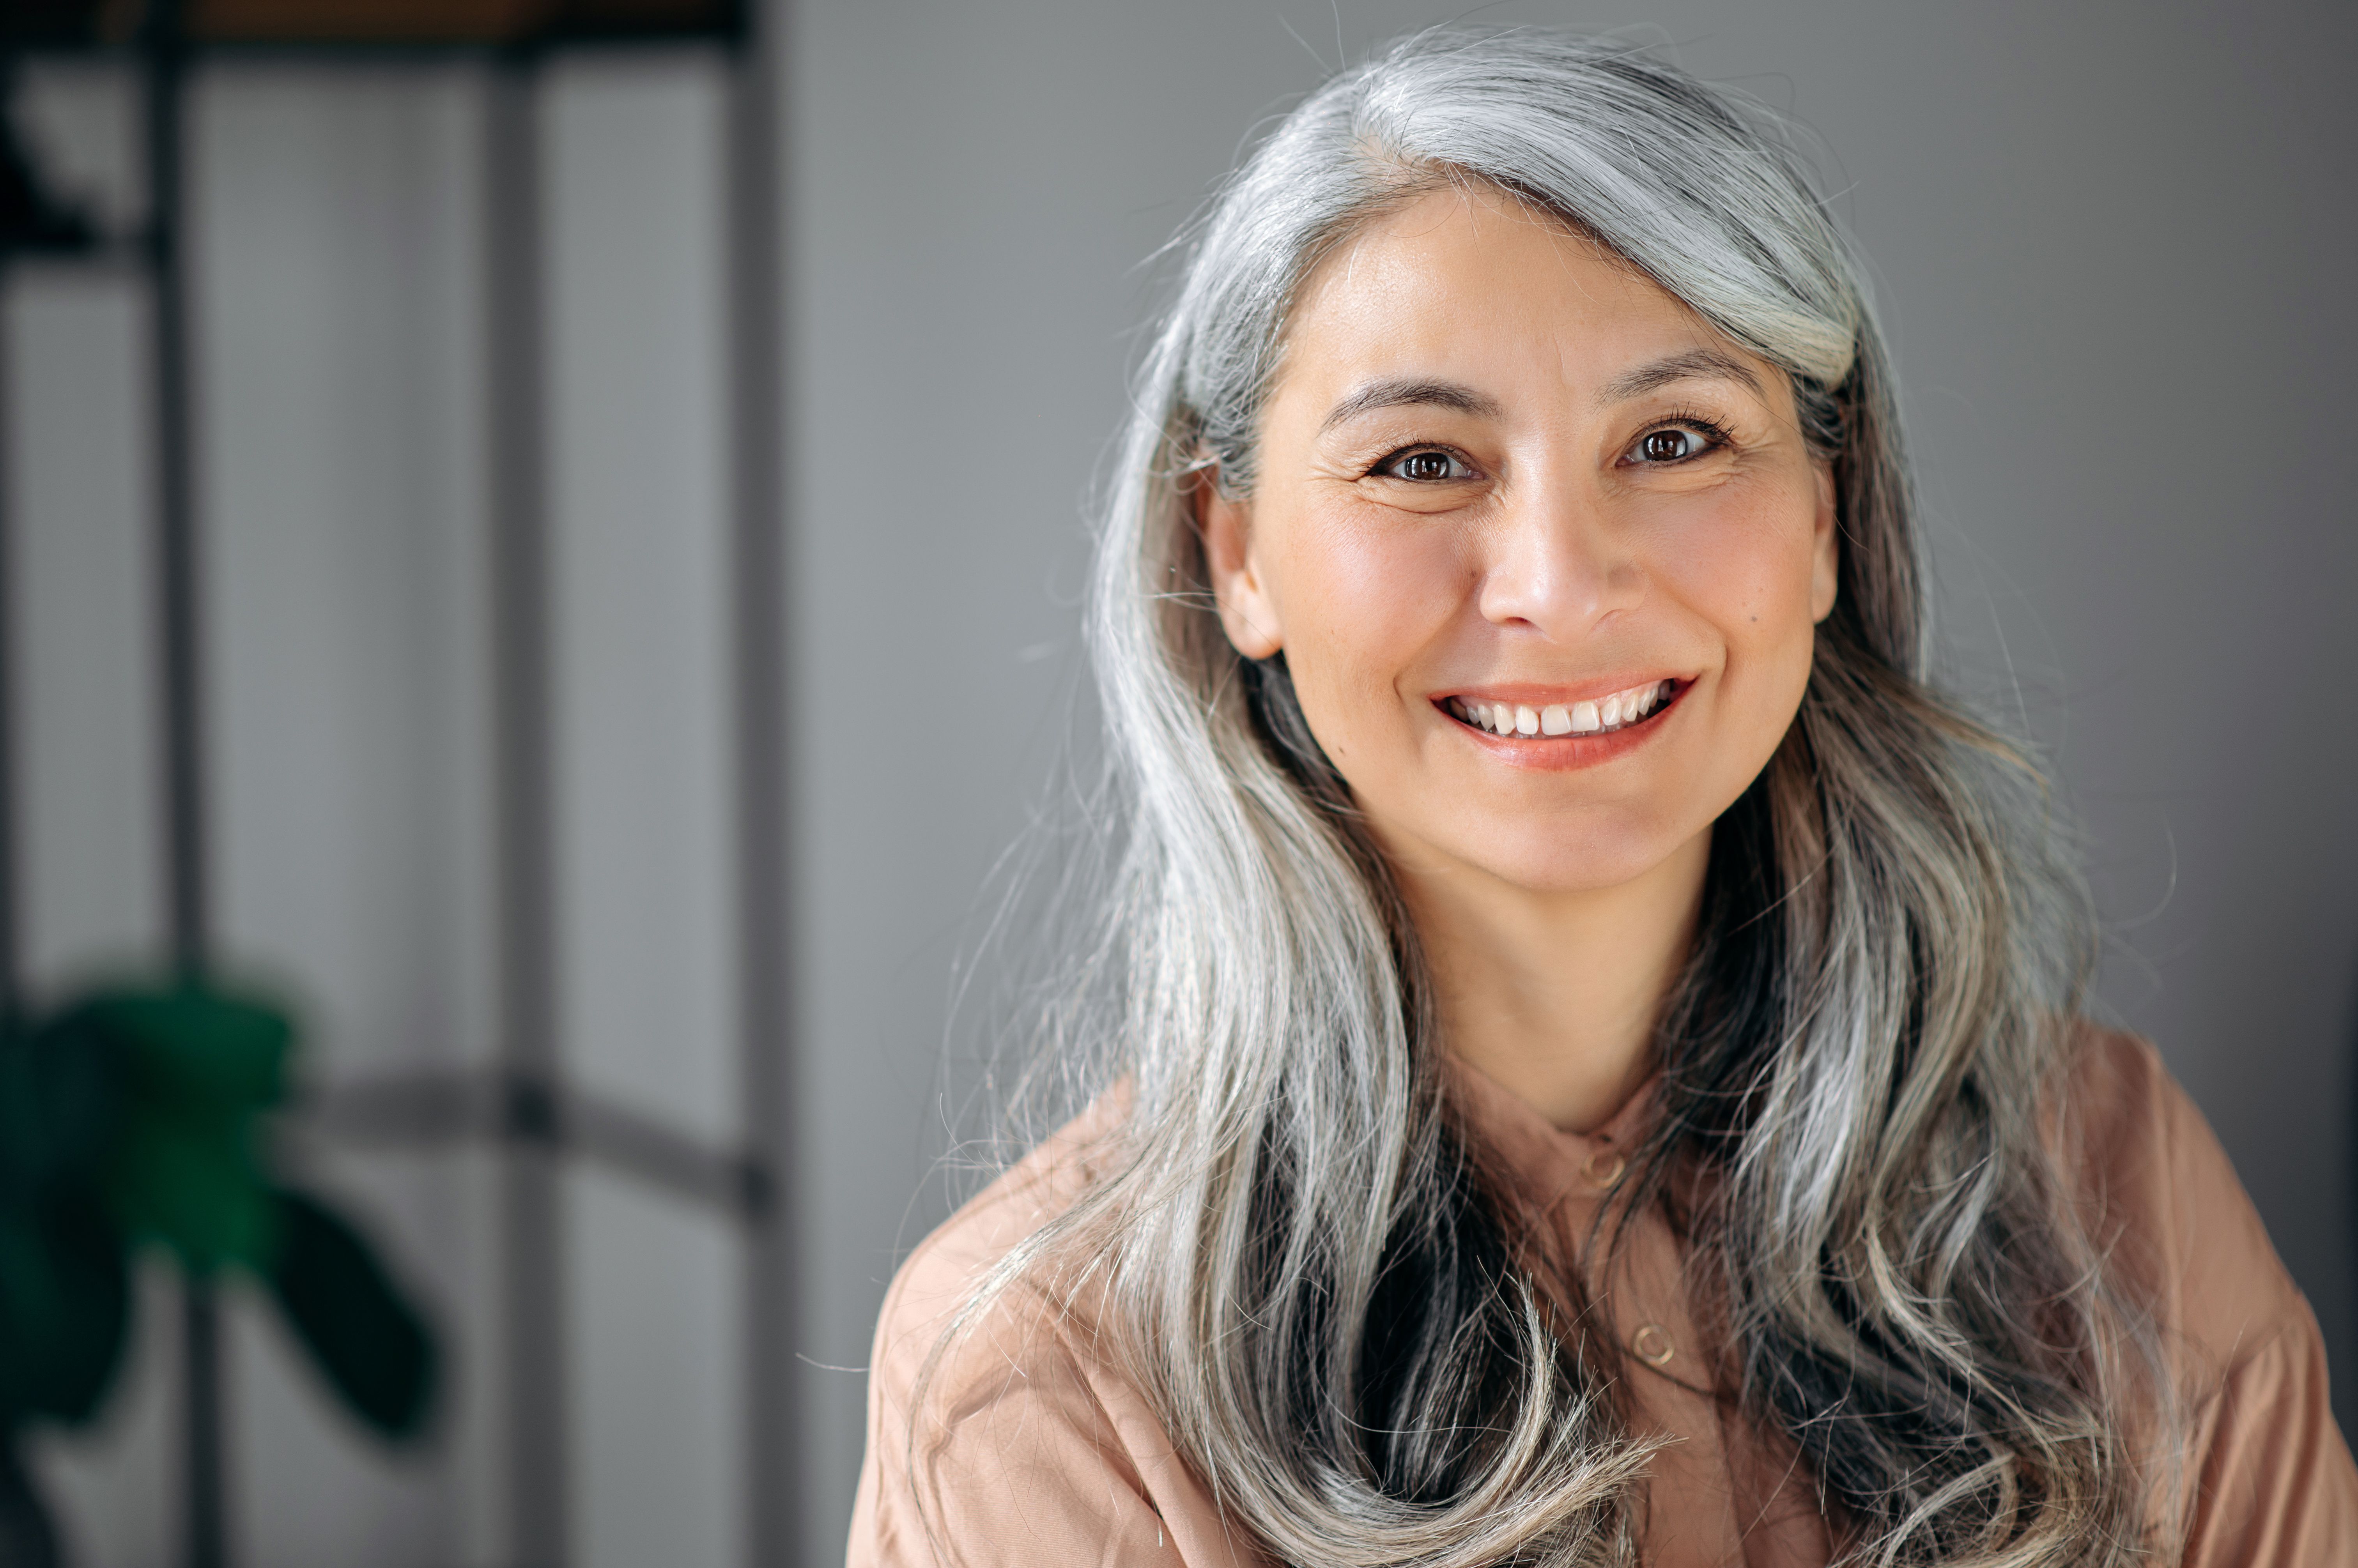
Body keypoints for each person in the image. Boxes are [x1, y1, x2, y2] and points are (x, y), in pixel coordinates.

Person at [846, 30, 2358, 1568]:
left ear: (1827, 513)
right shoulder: (1045, 1374)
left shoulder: (2117, 1187)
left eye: (1678, 439)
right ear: (1234, 552)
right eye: (1424, 460)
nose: (1558, 588)